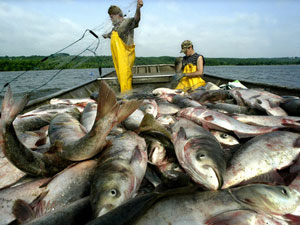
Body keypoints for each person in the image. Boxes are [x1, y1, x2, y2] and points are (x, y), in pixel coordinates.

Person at [102, 0, 143, 94]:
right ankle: (125, 96)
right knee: (121, 77)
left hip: (126, 57)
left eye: (111, 16)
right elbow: (112, 35)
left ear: (118, 14)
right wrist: (106, 35)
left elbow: (136, 19)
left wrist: (138, 8)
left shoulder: (127, 22)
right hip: (118, 59)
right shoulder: (114, 28)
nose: (110, 18)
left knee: (125, 76)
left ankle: (127, 98)